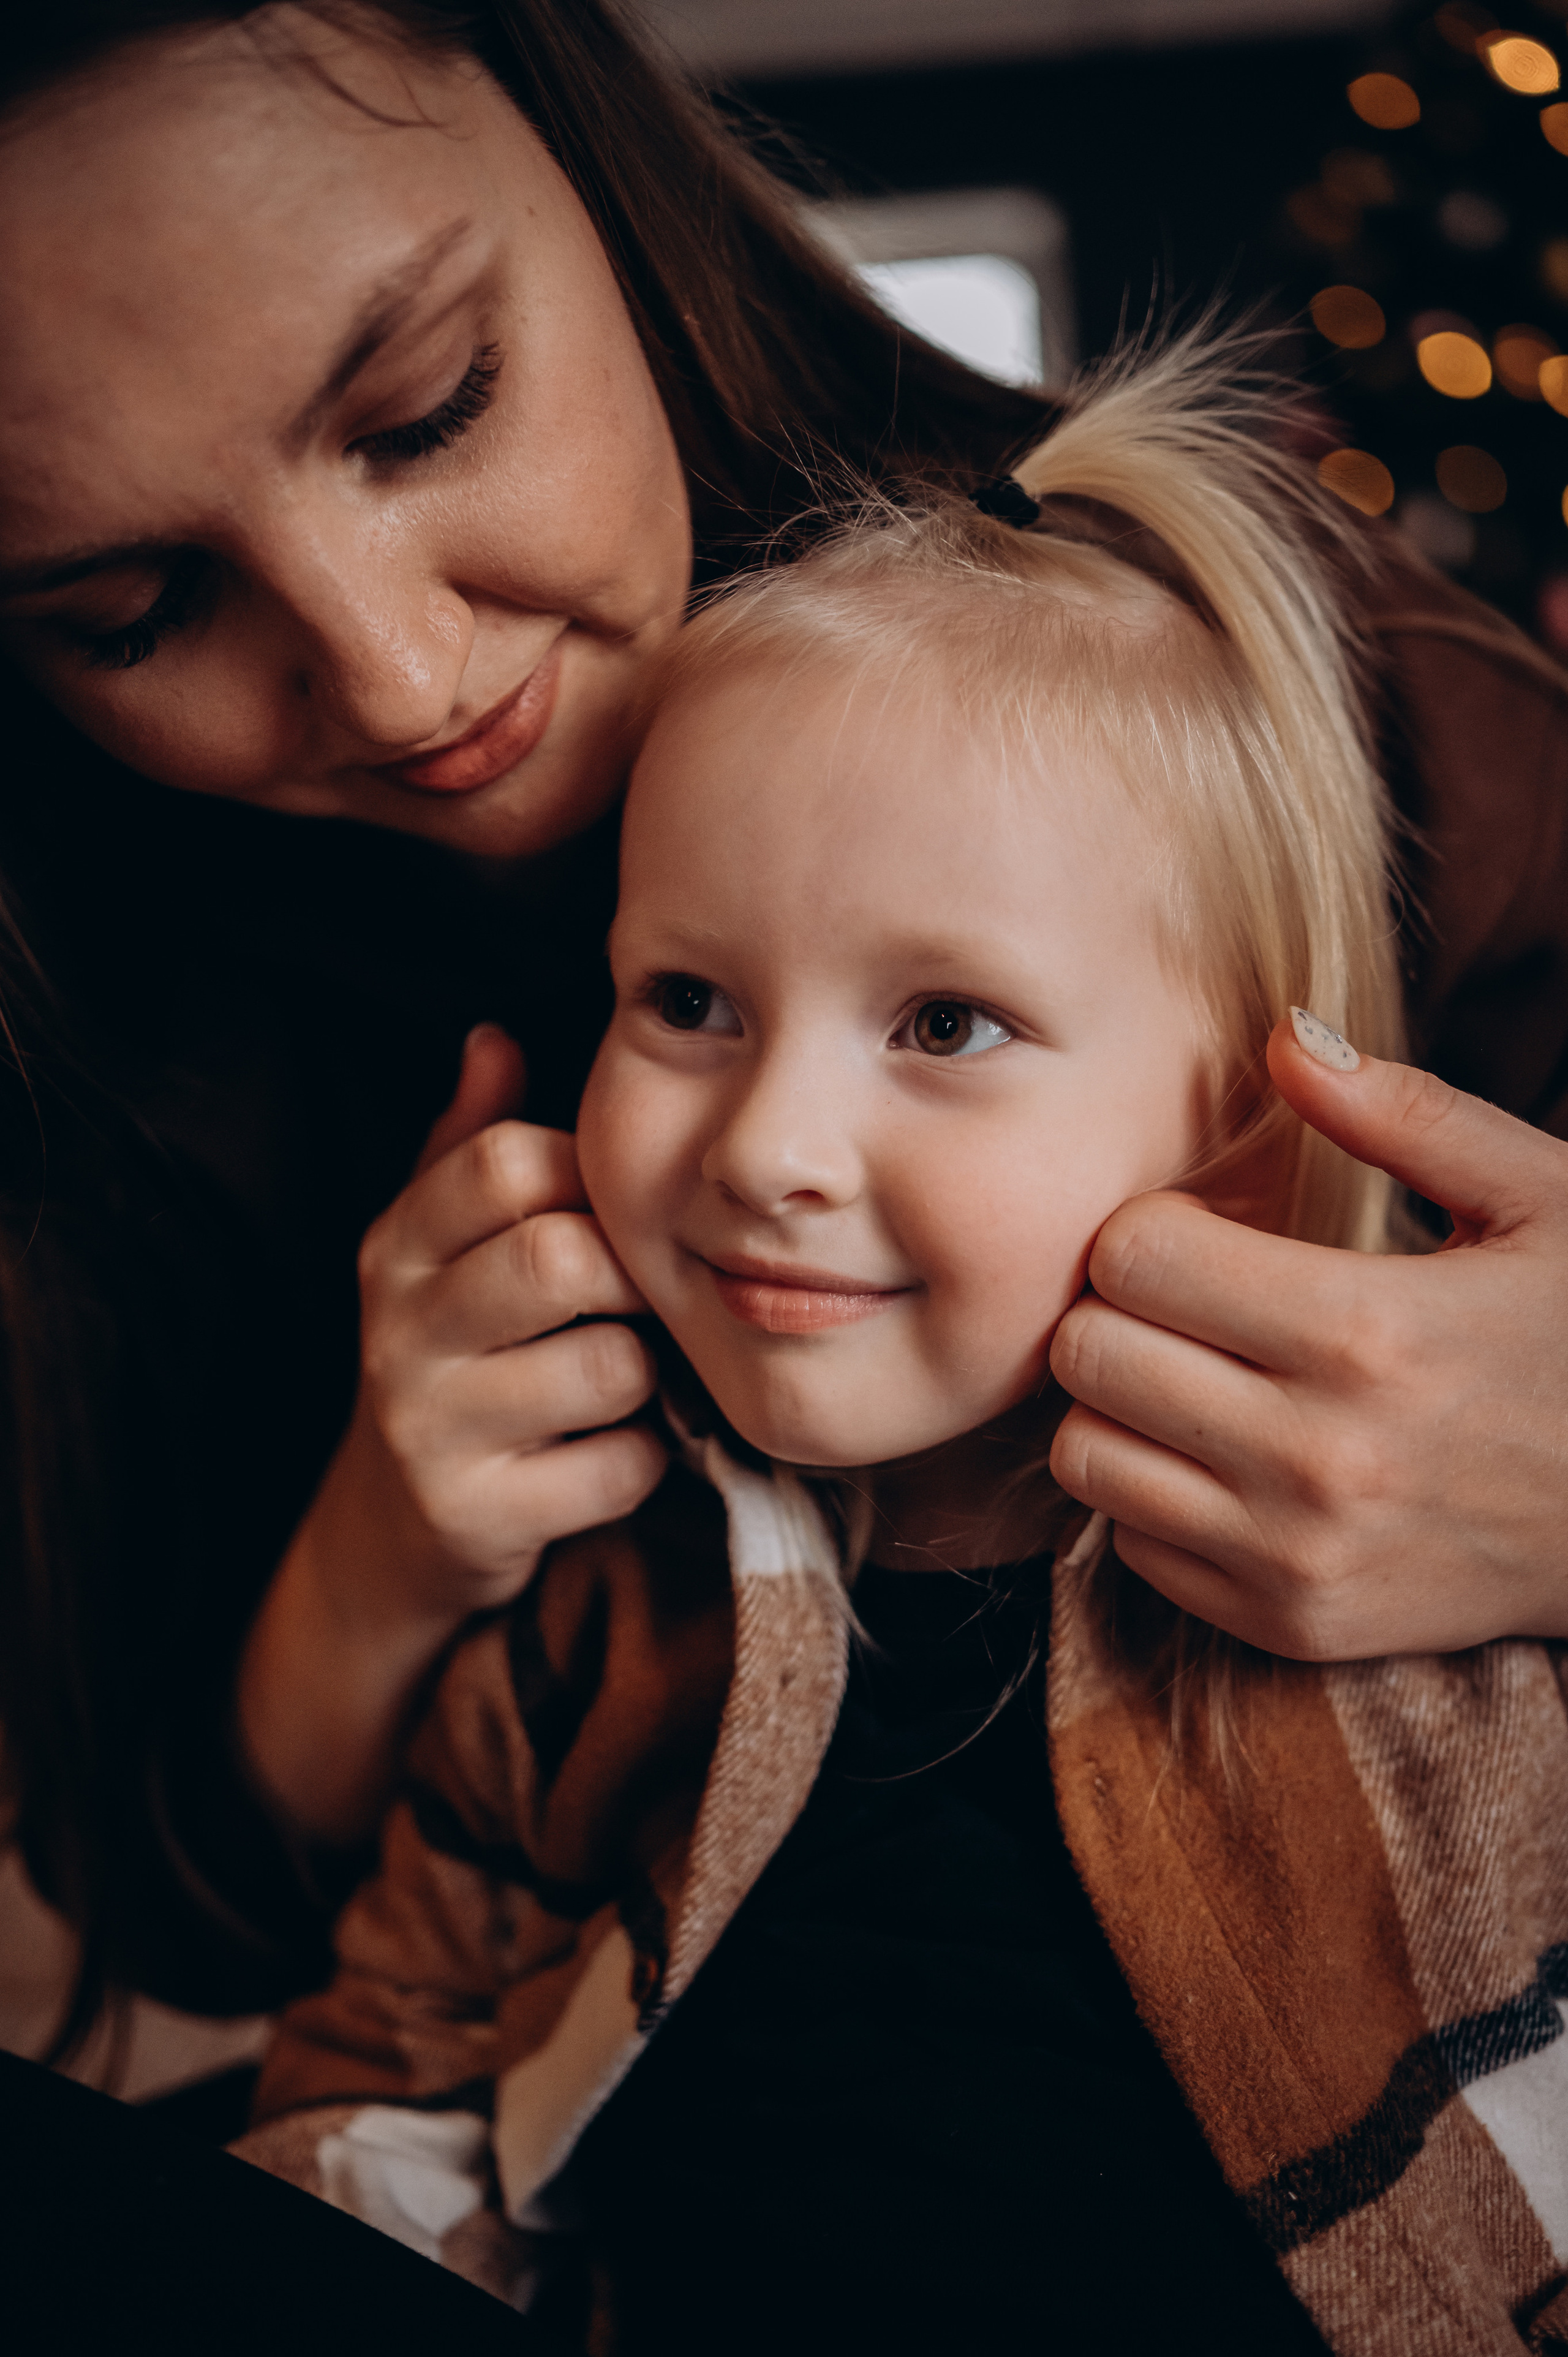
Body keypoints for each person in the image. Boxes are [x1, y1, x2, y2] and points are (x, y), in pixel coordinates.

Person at [0, 0, 1566, 2064]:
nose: (393, 678)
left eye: (428, 407)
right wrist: (376, 1570)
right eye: (132, 609)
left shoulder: (1302, 709)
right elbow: (202, 1930)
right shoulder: (110, 988)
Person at [236, 338, 1568, 2354]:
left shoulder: (1445, 1607)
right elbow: (389, 2050)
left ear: (1254, 1122)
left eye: (944, 1025)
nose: (767, 1148)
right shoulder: (596, 1607)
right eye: (687, 999)